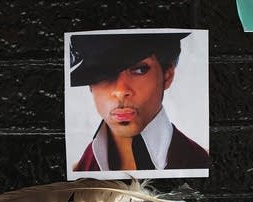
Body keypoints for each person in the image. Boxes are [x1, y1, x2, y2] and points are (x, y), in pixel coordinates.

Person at [69, 32, 209, 171]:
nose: (121, 91)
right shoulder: (78, 172)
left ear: (167, 76)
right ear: (90, 85)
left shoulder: (204, 163)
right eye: (103, 74)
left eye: (140, 70)